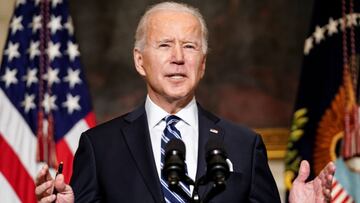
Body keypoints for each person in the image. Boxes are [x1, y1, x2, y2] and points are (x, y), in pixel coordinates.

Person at [35, 2, 335, 203]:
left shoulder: (244, 145)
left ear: (201, 64)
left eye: (189, 46)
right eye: (164, 45)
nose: (178, 57)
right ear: (140, 61)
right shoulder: (100, 146)